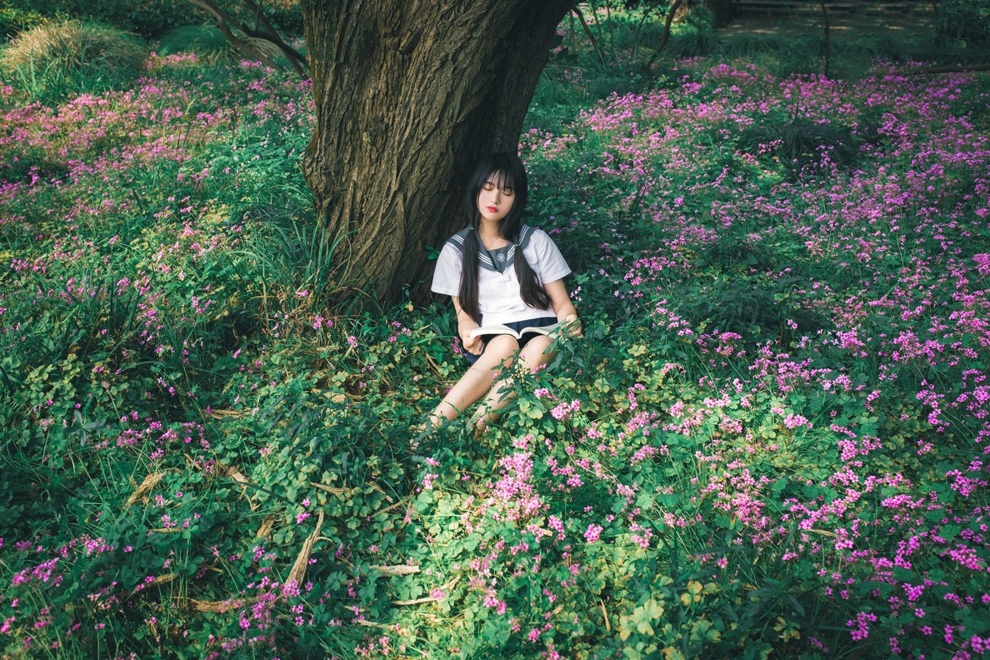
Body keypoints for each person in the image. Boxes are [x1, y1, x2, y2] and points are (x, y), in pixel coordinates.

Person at [428, 152, 581, 431]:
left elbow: (562, 304)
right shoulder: (456, 249)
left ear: (517, 198)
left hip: (544, 332)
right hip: (496, 338)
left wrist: (570, 320)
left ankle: (477, 426)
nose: (495, 199)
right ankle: (434, 423)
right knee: (505, 345)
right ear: (476, 189)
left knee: (540, 346)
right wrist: (467, 329)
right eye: (488, 188)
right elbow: (463, 314)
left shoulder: (534, 240)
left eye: (506, 192)